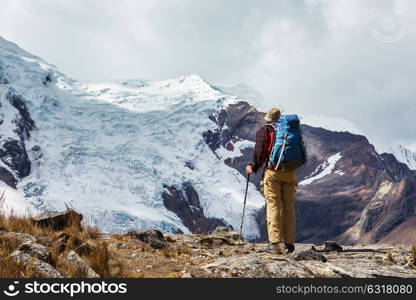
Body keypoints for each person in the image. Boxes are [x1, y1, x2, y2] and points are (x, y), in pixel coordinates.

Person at [246, 108, 299, 254]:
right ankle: (289, 243)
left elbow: (260, 152)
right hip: (290, 173)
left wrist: (253, 166)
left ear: (268, 117)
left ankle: (275, 243)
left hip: (273, 172)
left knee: (274, 205)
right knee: (288, 207)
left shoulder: (266, 130)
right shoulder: (291, 130)